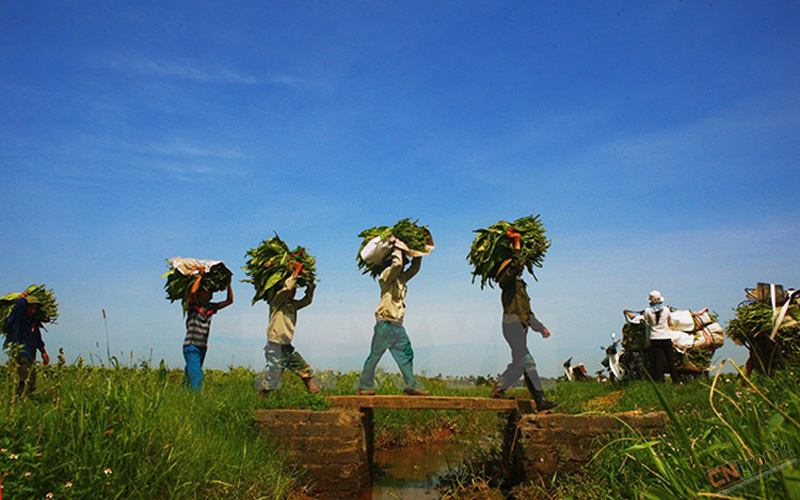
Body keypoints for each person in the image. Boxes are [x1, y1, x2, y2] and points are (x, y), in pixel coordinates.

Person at [489, 229, 556, 411]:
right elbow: (516, 266)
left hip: (520, 326)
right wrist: (517, 245)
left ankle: (499, 388)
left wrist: (540, 328)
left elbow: (528, 313)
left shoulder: (519, 287)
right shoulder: (506, 282)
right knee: (527, 361)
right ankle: (540, 400)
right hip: (512, 326)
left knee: (519, 364)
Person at [358, 237, 429, 396]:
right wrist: (397, 245)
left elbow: (415, 269)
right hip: (385, 324)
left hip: (397, 325)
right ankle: (364, 385)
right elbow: (397, 265)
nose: (405, 262)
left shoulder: (401, 278)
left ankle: (410, 385)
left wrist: (418, 252)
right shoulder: (386, 275)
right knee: (375, 355)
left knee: (407, 353)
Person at [257, 262, 320, 397]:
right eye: (292, 290)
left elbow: (307, 300)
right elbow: (286, 288)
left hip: (287, 348)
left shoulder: (293, 305)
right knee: (272, 379)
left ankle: (316, 396)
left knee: (306, 371)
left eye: (295, 291)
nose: (293, 292)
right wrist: (296, 271)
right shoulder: (277, 302)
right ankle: (261, 400)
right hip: (275, 347)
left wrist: (311, 284)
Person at [183, 272, 233, 391]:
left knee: (189, 376)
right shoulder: (193, 304)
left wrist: (228, 285)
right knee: (197, 376)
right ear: (201, 293)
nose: (210, 293)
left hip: (202, 347)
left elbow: (229, 301)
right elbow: (193, 292)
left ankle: (181, 396)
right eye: (207, 291)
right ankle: (197, 401)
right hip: (191, 346)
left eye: (211, 291)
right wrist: (200, 276)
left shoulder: (211, 307)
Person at [6, 293, 49, 397]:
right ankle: (18, 401)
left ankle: (22, 400)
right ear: (25, 307)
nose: (32, 311)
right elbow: (17, 308)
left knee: (31, 381)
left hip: (31, 354)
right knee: (25, 380)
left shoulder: (33, 322)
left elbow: (38, 339)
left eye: (35, 309)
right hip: (21, 354)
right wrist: (22, 298)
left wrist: (43, 353)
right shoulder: (17, 320)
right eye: (30, 308)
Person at [643, 290, 678, 383]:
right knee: (670, 360)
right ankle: (675, 380)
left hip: (655, 338)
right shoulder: (666, 310)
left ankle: (659, 380)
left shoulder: (647, 311)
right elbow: (670, 322)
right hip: (666, 337)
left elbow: (647, 324)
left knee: (657, 361)